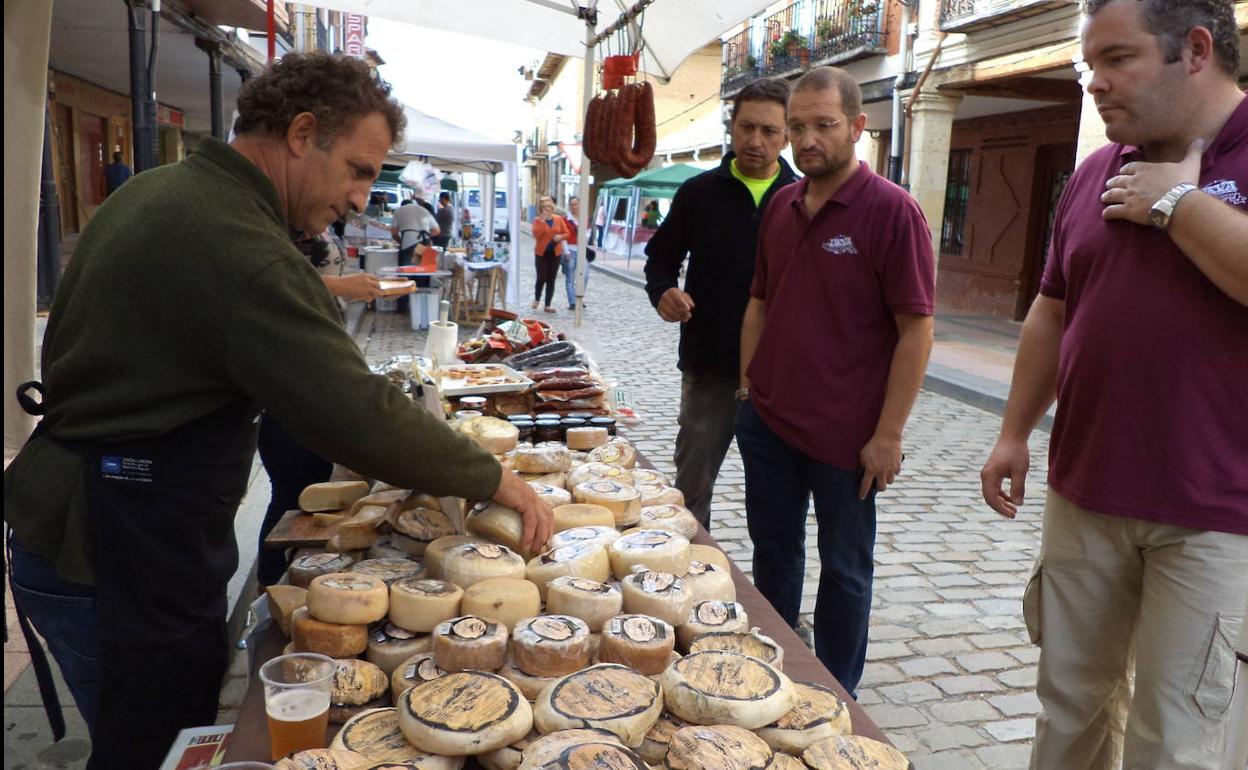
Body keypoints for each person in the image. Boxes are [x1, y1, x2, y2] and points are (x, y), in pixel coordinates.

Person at [2, 52, 553, 770]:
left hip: (108, 522)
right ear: (301, 134)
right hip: (111, 537)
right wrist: (493, 479)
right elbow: (353, 409)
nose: (361, 198)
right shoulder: (238, 243)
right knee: (151, 746)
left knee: (154, 731)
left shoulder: (165, 191)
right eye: (358, 169)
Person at [980, 1, 1247, 766]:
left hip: (1217, 514)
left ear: (1194, 49)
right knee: (1067, 713)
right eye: (1087, 64)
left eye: (1116, 59)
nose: (1094, 83)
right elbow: (1052, 308)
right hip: (1086, 493)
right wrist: (1013, 431)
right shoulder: (1098, 168)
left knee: (1180, 741)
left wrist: (1175, 204)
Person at [736, 67, 934, 691]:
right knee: (774, 554)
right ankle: (775, 676)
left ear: (857, 125)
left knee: (845, 570)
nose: (807, 139)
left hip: (849, 439)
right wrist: (748, 390)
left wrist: (889, 434)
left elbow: (916, 331)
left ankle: (836, 696)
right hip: (769, 422)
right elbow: (760, 302)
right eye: (798, 127)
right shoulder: (783, 205)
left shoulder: (891, 212)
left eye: (823, 125)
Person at [643, 78, 797, 530]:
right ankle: (682, 569)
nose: (756, 140)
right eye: (747, 127)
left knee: (776, 497)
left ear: (786, 135)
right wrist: (663, 292)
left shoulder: (803, 199)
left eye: (770, 131)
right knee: (691, 489)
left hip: (780, 376)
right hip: (709, 366)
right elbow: (660, 258)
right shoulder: (698, 192)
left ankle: (771, 595)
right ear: (731, 128)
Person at [255, 227, 385, 587]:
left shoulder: (311, 219)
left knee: (305, 485)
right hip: (291, 382)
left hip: (313, 377)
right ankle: (271, 588)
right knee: (292, 491)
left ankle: (278, 584)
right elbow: (273, 281)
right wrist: (343, 287)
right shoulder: (281, 223)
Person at [531, 196, 568, 314]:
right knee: (541, 277)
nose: (547, 209)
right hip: (541, 253)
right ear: (541, 209)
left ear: (552, 207)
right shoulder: (538, 220)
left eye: (548, 206)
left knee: (551, 279)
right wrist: (542, 222)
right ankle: (537, 299)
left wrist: (560, 237)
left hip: (555, 253)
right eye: (544, 207)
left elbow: (567, 233)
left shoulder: (558, 219)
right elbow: (536, 235)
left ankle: (547, 304)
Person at [390, 198, 441, 267]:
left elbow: (394, 233)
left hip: (408, 244)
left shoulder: (399, 211)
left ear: (402, 205)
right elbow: (437, 230)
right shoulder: (423, 210)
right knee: (423, 269)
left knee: (409, 270)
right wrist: (426, 236)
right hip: (424, 243)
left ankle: (411, 277)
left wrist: (401, 242)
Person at [560, 196, 587, 310]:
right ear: (569, 206)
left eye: (576, 204)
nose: (574, 206)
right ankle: (572, 302)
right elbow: (563, 236)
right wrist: (566, 251)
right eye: (572, 204)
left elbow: (588, 233)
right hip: (570, 250)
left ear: (580, 205)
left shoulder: (584, 218)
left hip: (581, 250)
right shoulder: (565, 219)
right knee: (570, 277)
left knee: (585, 275)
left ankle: (579, 297)